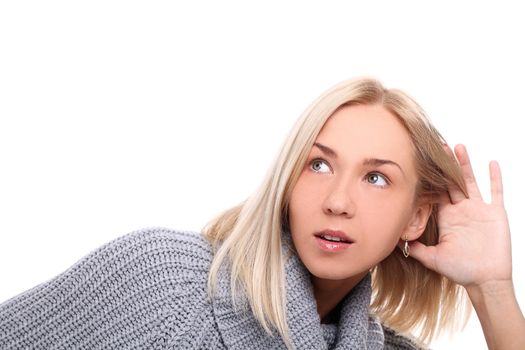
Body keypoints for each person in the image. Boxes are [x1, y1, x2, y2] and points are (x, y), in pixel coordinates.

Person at [0, 78, 523, 349]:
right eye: (319, 164)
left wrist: (493, 292)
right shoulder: (168, 286)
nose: (338, 200)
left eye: (376, 177)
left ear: (415, 219)